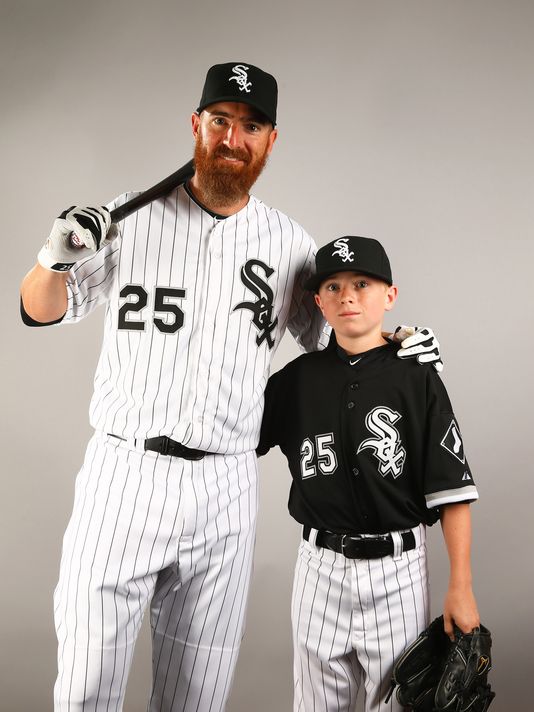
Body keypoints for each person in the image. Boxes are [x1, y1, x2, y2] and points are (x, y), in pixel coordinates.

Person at [20, 63, 440, 712]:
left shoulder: (291, 246)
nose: (233, 139)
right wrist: (52, 259)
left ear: (272, 141)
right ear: (197, 125)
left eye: (251, 126)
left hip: (225, 486)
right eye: (221, 121)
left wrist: (400, 345)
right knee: (84, 692)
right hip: (124, 471)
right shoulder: (126, 219)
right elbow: (38, 308)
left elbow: (341, 346)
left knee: (198, 697)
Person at [257, 235, 480, 712]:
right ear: (318, 302)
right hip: (318, 568)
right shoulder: (295, 381)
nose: (348, 296)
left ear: (390, 295)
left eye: (362, 283)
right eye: (332, 287)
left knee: (398, 701)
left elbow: (452, 491)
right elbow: (229, 440)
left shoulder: (417, 376)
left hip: (396, 568)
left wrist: (460, 585)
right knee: (315, 704)